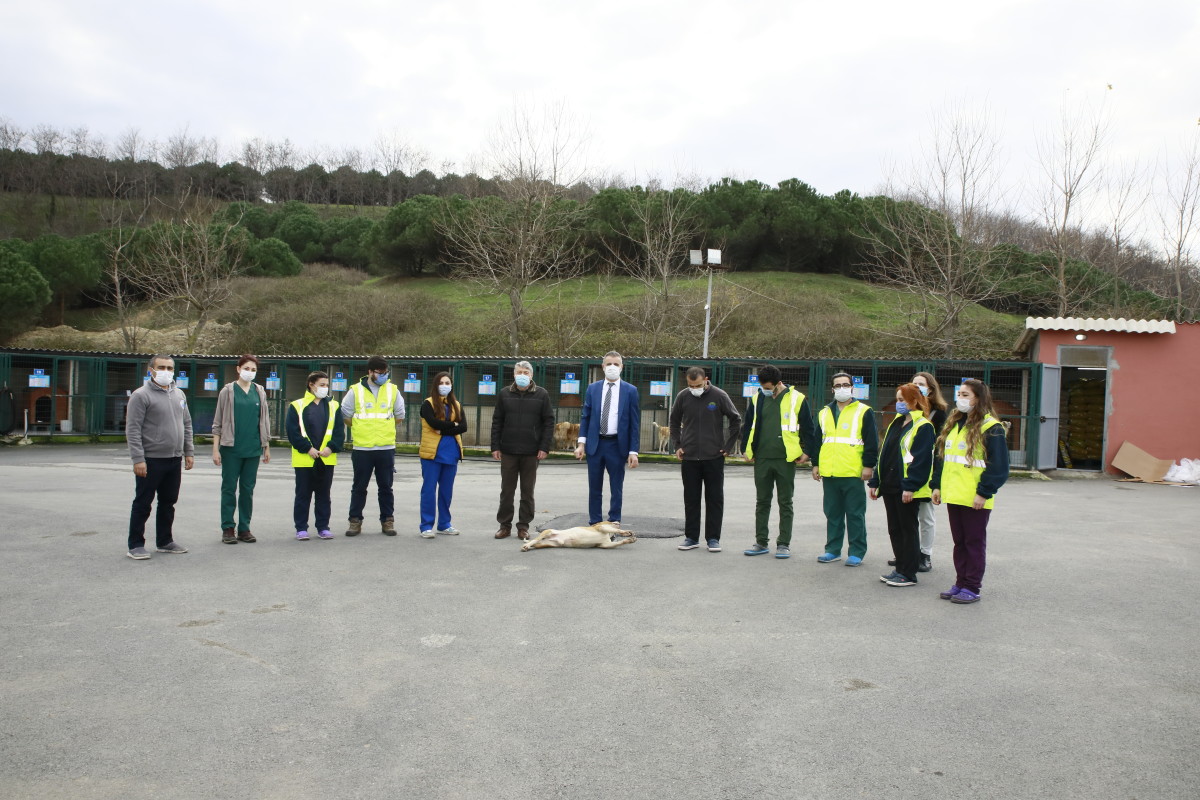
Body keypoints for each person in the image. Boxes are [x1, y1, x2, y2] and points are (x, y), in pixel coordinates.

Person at [931, 379, 1010, 604]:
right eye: (960, 394)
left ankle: (972, 587)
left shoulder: (990, 427)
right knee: (960, 542)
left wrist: (983, 493)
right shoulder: (955, 423)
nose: (960, 398)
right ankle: (960, 583)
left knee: (974, 543)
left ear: (978, 398)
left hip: (975, 497)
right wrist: (937, 486)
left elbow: (999, 467)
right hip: (954, 494)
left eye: (966, 395)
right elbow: (943, 459)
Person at [741, 364, 818, 559]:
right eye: (763, 387)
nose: (765, 391)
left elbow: (808, 428)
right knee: (762, 501)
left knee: (785, 502)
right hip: (762, 457)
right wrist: (745, 449)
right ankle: (761, 542)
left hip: (786, 458)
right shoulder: (758, 398)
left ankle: (784, 543)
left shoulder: (797, 399)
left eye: (768, 388)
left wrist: (808, 452)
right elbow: (748, 424)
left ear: (779, 383)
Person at [125, 354, 194, 560]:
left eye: (170, 368)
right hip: (151, 459)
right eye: (161, 367)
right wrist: (138, 459)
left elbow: (187, 424)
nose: (166, 371)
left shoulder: (179, 394)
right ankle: (135, 544)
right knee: (143, 502)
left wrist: (188, 452)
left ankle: (165, 541)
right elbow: (133, 429)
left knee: (168, 502)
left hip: (174, 458)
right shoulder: (141, 395)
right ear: (151, 370)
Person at [869, 383, 935, 587]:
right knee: (895, 529)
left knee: (908, 529)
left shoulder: (923, 426)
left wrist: (911, 486)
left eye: (901, 400)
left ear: (914, 401)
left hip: (905, 487)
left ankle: (909, 572)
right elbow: (885, 454)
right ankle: (900, 568)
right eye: (897, 399)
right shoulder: (896, 423)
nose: (898, 404)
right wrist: (875, 481)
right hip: (889, 485)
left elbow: (921, 459)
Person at [670, 367, 741, 553]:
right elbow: (674, 421)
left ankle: (713, 538)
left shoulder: (719, 395)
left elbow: (736, 419)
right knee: (691, 499)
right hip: (690, 457)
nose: (695, 388)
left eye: (698, 385)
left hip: (714, 457)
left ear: (706, 380)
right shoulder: (683, 396)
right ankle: (691, 537)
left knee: (715, 499)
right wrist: (678, 444)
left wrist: (728, 446)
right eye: (691, 385)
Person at [812, 372, 878, 567]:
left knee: (855, 514)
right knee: (833, 513)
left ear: (852, 387)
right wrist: (816, 464)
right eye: (838, 385)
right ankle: (832, 550)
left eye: (845, 384)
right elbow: (818, 441)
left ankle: (857, 551)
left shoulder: (864, 411)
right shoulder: (824, 412)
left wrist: (868, 465)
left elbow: (871, 441)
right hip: (830, 472)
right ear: (832, 389)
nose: (842, 388)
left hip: (852, 472)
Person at [210, 355, 272, 545]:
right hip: (231, 448)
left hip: (253, 449)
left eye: (253, 370)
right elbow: (218, 422)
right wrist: (216, 449)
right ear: (238, 369)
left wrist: (266, 446)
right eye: (246, 368)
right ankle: (228, 528)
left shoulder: (260, 391)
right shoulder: (227, 391)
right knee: (229, 488)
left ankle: (244, 528)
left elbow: (264, 421)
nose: (250, 372)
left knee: (247, 490)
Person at [490, 361, 554, 540]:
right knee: (507, 491)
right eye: (519, 372)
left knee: (527, 491)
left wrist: (544, 446)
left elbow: (549, 422)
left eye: (526, 372)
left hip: (532, 452)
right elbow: (497, 421)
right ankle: (504, 525)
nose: (523, 375)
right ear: (514, 374)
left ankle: (523, 526)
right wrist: (495, 446)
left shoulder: (542, 395)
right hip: (508, 450)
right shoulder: (504, 394)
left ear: (531, 375)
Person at [575, 351, 641, 525]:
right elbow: (586, 417)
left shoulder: (630, 391)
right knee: (594, 487)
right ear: (603, 366)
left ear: (622, 367)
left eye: (616, 364)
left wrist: (633, 451)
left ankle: (614, 520)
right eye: (609, 364)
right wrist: (581, 443)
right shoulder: (593, 388)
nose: (612, 367)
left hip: (617, 446)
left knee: (616, 487)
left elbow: (635, 423)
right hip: (595, 445)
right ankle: (595, 521)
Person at [342, 356, 405, 537]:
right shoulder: (355, 391)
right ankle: (355, 521)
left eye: (386, 373)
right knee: (359, 487)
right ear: (370, 372)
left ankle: (387, 521)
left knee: (386, 487)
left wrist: (383, 429)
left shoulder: (393, 390)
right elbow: (346, 414)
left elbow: (399, 415)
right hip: (362, 448)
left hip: (385, 447)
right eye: (380, 373)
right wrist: (362, 428)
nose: (384, 376)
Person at [286, 371, 345, 541]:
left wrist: (331, 447)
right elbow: (293, 433)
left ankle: (323, 527)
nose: (325, 388)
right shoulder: (297, 406)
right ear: (311, 385)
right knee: (303, 494)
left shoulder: (334, 406)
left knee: (323, 495)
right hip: (305, 459)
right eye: (322, 385)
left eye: (326, 385)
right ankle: (301, 528)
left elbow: (339, 432)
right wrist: (308, 449)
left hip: (326, 458)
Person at [419, 371, 468, 538]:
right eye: (442, 383)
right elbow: (433, 423)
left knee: (446, 491)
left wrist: (443, 429)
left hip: (451, 453)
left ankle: (444, 524)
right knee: (429, 490)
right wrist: (452, 425)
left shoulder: (456, 404)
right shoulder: (428, 404)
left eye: (448, 383)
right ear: (435, 385)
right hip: (432, 454)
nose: (445, 386)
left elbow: (463, 427)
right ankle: (426, 526)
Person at [908, 371, 949, 572]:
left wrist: (937, 480)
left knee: (926, 516)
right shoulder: (906, 410)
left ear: (930, 389)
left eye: (921, 384)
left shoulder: (939, 414)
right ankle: (908, 552)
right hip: (907, 469)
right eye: (914, 383)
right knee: (906, 516)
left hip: (928, 470)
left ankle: (925, 555)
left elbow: (941, 448)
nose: (916, 386)